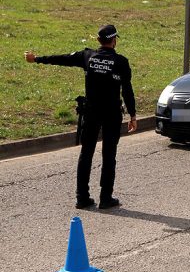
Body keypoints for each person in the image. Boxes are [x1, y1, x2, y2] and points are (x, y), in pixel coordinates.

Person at [25, 24, 137, 209]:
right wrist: (132, 115)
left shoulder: (87, 56)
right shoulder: (121, 62)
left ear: (98, 40)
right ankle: (105, 198)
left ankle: (82, 197)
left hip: (91, 112)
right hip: (111, 114)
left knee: (86, 153)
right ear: (114, 40)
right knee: (109, 155)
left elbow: (62, 59)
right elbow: (127, 90)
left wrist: (36, 58)